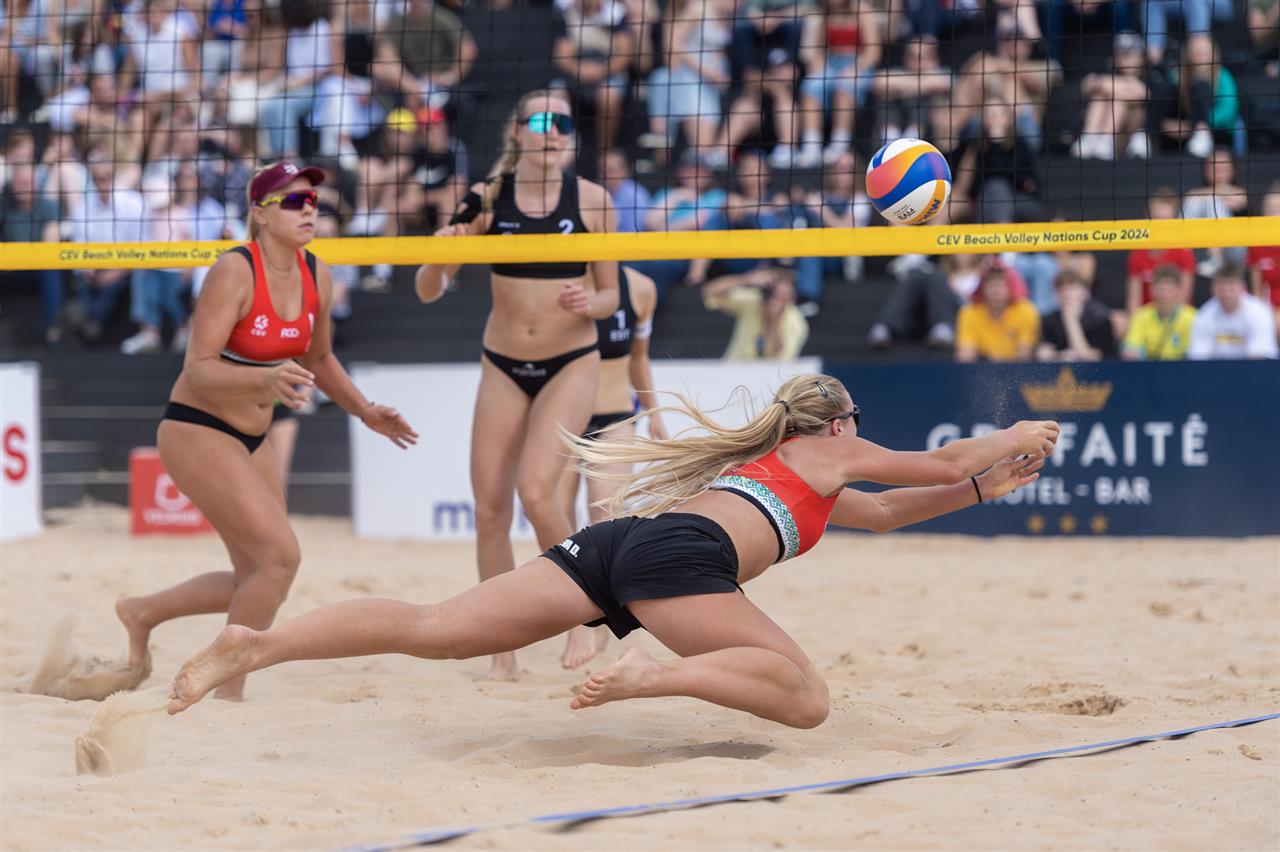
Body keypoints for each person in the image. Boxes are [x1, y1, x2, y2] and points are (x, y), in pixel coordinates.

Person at [167, 373, 1061, 726]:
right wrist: (1013, 432)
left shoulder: (788, 474)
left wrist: (988, 487)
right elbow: (939, 459)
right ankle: (650, 674)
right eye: (857, 421)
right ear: (836, 423)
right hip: (679, 563)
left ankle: (257, 644)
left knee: (436, 627)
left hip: (623, 545)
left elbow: (897, 509)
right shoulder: (826, 450)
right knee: (806, 698)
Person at [113, 162, 418, 701]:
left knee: (259, 574)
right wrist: (266, 376)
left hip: (252, 435)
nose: (309, 209)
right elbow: (198, 369)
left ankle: (143, 612)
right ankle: (227, 694)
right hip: (197, 427)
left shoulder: (317, 272)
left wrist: (365, 410)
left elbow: (320, 358)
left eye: (313, 201)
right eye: (294, 201)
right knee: (279, 558)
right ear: (259, 213)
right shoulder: (235, 270)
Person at [413, 90, 620, 678]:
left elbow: (610, 294)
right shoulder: (485, 197)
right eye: (541, 120)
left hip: (571, 359)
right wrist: (438, 257)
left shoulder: (592, 200)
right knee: (488, 509)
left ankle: (589, 614)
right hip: (504, 361)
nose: (553, 131)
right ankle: (499, 646)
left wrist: (590, 302)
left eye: (563, 122)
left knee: (537, 493)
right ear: (517, 131)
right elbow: (428, 290)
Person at [556, 265, 667, 666]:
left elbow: (639, 357)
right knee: (556, 517)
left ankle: (596, 617)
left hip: (616, 416)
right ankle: (574, 616)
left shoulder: (640, 288)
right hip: (563, 416)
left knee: (603, 516)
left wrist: (654, 412)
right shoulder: (557, 281)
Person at [701, 263, 810, 360]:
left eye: (782, 296)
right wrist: (747, 279)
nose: (775, 300)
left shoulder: (796, 322)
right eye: (773, 293)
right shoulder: (753, 301)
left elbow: (782, 361)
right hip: (734, 367)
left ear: (792, 295)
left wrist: (774, 323)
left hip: (767, 375)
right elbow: (709, 291)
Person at [1125, 188, 1195, 318]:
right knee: (1119, 321)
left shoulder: (1183, 252)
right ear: (1148, 219)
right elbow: (1133, 303)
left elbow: (1183, 300)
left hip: (1175, 318)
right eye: (1156, 219)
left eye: (1166, 220)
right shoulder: (1138, 253)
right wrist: (1139, 325)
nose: (1161, 225)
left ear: (1174, 222)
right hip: (1146, 319)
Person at [1188, 264, 1279, 359]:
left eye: (1231, 288)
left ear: (1243, 288)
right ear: (1212, 289)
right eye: (1221, 288)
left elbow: (1258, 357)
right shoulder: (1204, 314)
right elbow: (1199, 356)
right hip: (1215, 367)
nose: (1226, 294)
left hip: (1252, 367)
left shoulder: (1259, 313)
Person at [955, 265, 1040, 362]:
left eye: (1000, 285)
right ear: (982, 289)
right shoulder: (969, 313)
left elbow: (1024, 355)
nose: (996, 291)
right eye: (991, 285)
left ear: (1011, 287)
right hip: (982, 368)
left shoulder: (1026, 311)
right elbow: (966, 356)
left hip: (1016, 369)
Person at [1035, 270, 1117, 362]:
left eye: (1072, 289)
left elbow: (1091, 357)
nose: (1066, 294)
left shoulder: (1100, 319)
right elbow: (1042, 353)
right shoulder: (1050, 320)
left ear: (1084, 292)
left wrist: (1071, 319)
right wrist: (1061, 355)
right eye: (1062, 290)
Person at [1121, 264, 1198, 361]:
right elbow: (1131, 346)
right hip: (1149, 367)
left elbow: (1196, 351)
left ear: (1178, 290)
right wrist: (1135, 352)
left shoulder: (1193, 317)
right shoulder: (1141, 316)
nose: (1164, 295)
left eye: (1169, 290)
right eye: (1160, 289)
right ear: (1151, 289)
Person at [1246, 184, 1280, 343]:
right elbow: (1257, 291)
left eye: (1278, 209)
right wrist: (1265, 315)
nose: (1274, 213)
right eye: (1270, 209)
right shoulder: (1257, 246)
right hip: (1269, 309)